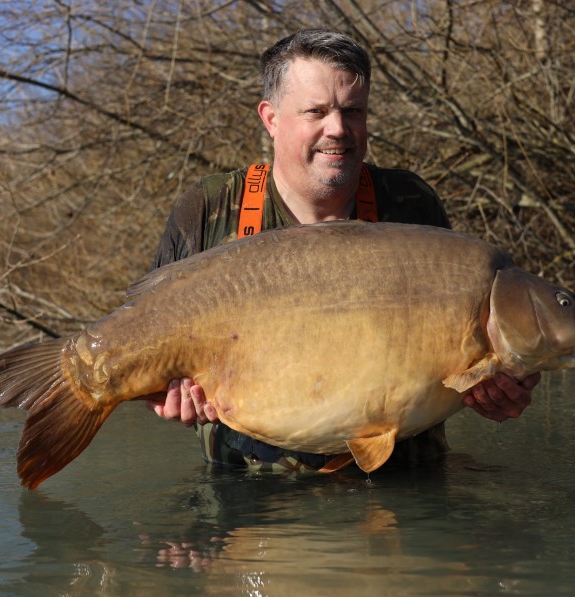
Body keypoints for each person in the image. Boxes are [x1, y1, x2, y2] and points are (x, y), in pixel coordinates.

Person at [145, 29, 540, 472]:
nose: (338, 129)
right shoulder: (208, 209)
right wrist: (159, 397)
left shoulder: (409, 204)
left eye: (352, 112)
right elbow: (145, 348)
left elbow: (465, 362)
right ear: (271, 118)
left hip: (404, 489)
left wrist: (497, 388)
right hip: (247, 500)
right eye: (316, 112)